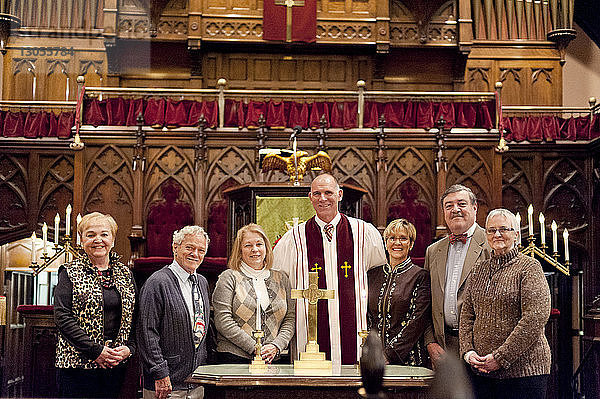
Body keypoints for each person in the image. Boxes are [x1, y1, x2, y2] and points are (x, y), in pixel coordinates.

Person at [273, 173, 386, 365]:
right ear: (310, 197)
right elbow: (279, 285)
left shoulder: (363, 232)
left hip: (356, 329)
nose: (322, 198)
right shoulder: (293, 238)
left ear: (340, 194)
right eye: (317, 194)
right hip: (309, 331)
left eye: (328, 192)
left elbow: (378, 279)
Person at [460, 209, 551, 399]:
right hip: (482, 372)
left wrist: (501, 357)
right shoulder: (479, 269)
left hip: (524, 373)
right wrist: (468, 352)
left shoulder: (529, 267)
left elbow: (534, 317)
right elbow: (467, 314)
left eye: (503, 229)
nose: (497, 234)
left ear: (516, 234)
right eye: (491, 230)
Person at [54, 212, 136, 398]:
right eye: (90, 235)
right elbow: (62, 317)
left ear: (113, 240)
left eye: (104, 234)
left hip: (115, 364)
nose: (98, 240)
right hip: (76, 366)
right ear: (82, 240)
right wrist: (95, 351)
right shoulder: (69, 272)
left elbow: (135, 315)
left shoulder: (125, 273)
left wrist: (130, 348)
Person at [138, 226, 210, 399]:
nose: (195, 254)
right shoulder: (157, 282)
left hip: (196, 382)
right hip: (166, 384)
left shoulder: (201, 282)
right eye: (189, 248)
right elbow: (147, 333)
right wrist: (160, 372)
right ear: (175, 247)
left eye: (201, 250)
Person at [424, 184, 491, 369]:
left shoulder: (491, 245)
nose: (455, 210)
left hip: (482, 350)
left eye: (461, 204)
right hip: (444, 348)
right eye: (449, 206)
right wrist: (430, 343)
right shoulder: (433, 251)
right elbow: (426, 303)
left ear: (475, 207)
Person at [213, 224, 295, 364]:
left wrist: (276, 346)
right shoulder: (229, 277)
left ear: (266, 248)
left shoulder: (281, 279)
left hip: (273, 359)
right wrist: (255, 348)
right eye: (248, 245)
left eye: (259, 244)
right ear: (239, 250)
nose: (255, 249)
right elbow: (223, 321)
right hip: (234, 359)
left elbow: (290, 318)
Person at [367, 219, 431, 366]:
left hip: (408, 359)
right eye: (392, 238)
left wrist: (389, 354)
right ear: (385, 242)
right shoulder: (372, 275)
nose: (397, 243)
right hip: (374, 356)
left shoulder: (420, 276)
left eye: (403, 238)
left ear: (411, 244)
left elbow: (417, 321)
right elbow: (368, 317)